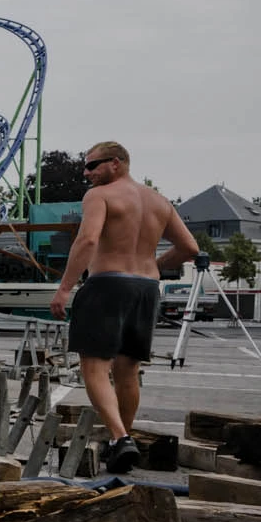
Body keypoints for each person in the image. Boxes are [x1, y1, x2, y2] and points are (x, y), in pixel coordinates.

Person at [49, 141, 197, 473]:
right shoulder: (160, 201)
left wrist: (64, 289)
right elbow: (189, 247)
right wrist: (153, 265)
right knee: (128, 370)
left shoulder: (99, 196)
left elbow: (87, 240)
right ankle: (122, 442)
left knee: (94, 367)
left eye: (93, 165)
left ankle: (119, 439)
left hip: (107, 285)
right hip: (146, 288)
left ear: (117, 163)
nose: (87, 173)